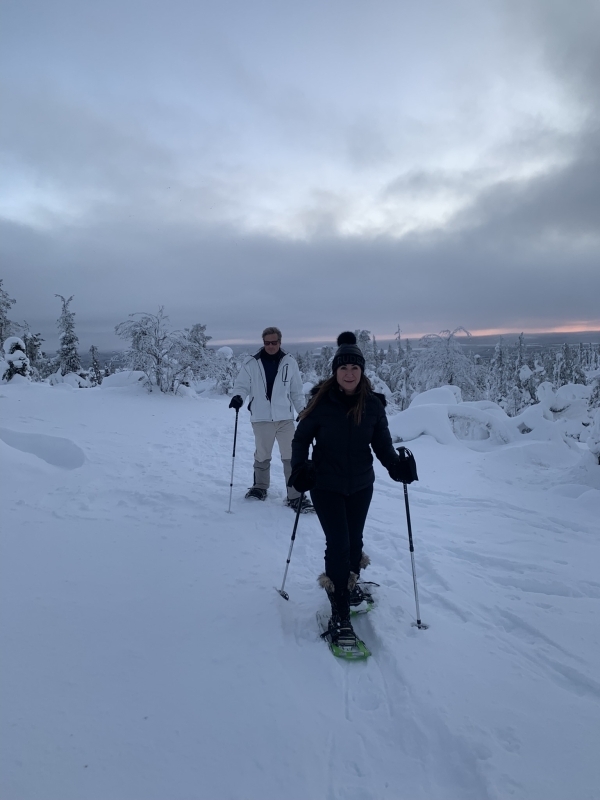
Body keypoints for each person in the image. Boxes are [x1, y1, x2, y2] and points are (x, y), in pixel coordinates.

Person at [288, 331, 418, 644]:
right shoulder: (321, 403)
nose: (349, 373)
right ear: (336, 371)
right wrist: (299, 468)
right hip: (326, 485)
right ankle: (339, 614)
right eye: (344, 368)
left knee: (355, 541)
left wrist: (396, 466)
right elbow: (300, 438)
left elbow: (383, 446)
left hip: (361, 485)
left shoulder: (372, 405)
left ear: (362, 371)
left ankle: (350, 582)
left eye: (355, 368)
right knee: (339, 544)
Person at [229, 326, 312, 512]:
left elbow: (296, 391)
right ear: (263, 343)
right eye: (267, 343)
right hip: (261, 418)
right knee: (262, 454)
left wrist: (303, 411)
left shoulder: (289, 362)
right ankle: (259, 488)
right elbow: (242, 385)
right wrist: (238, 397)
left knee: (291, 456)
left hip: (285, 418)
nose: (271, 346)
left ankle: (295, 496)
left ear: (280, 342)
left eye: (274, 342)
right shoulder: (251, 362)